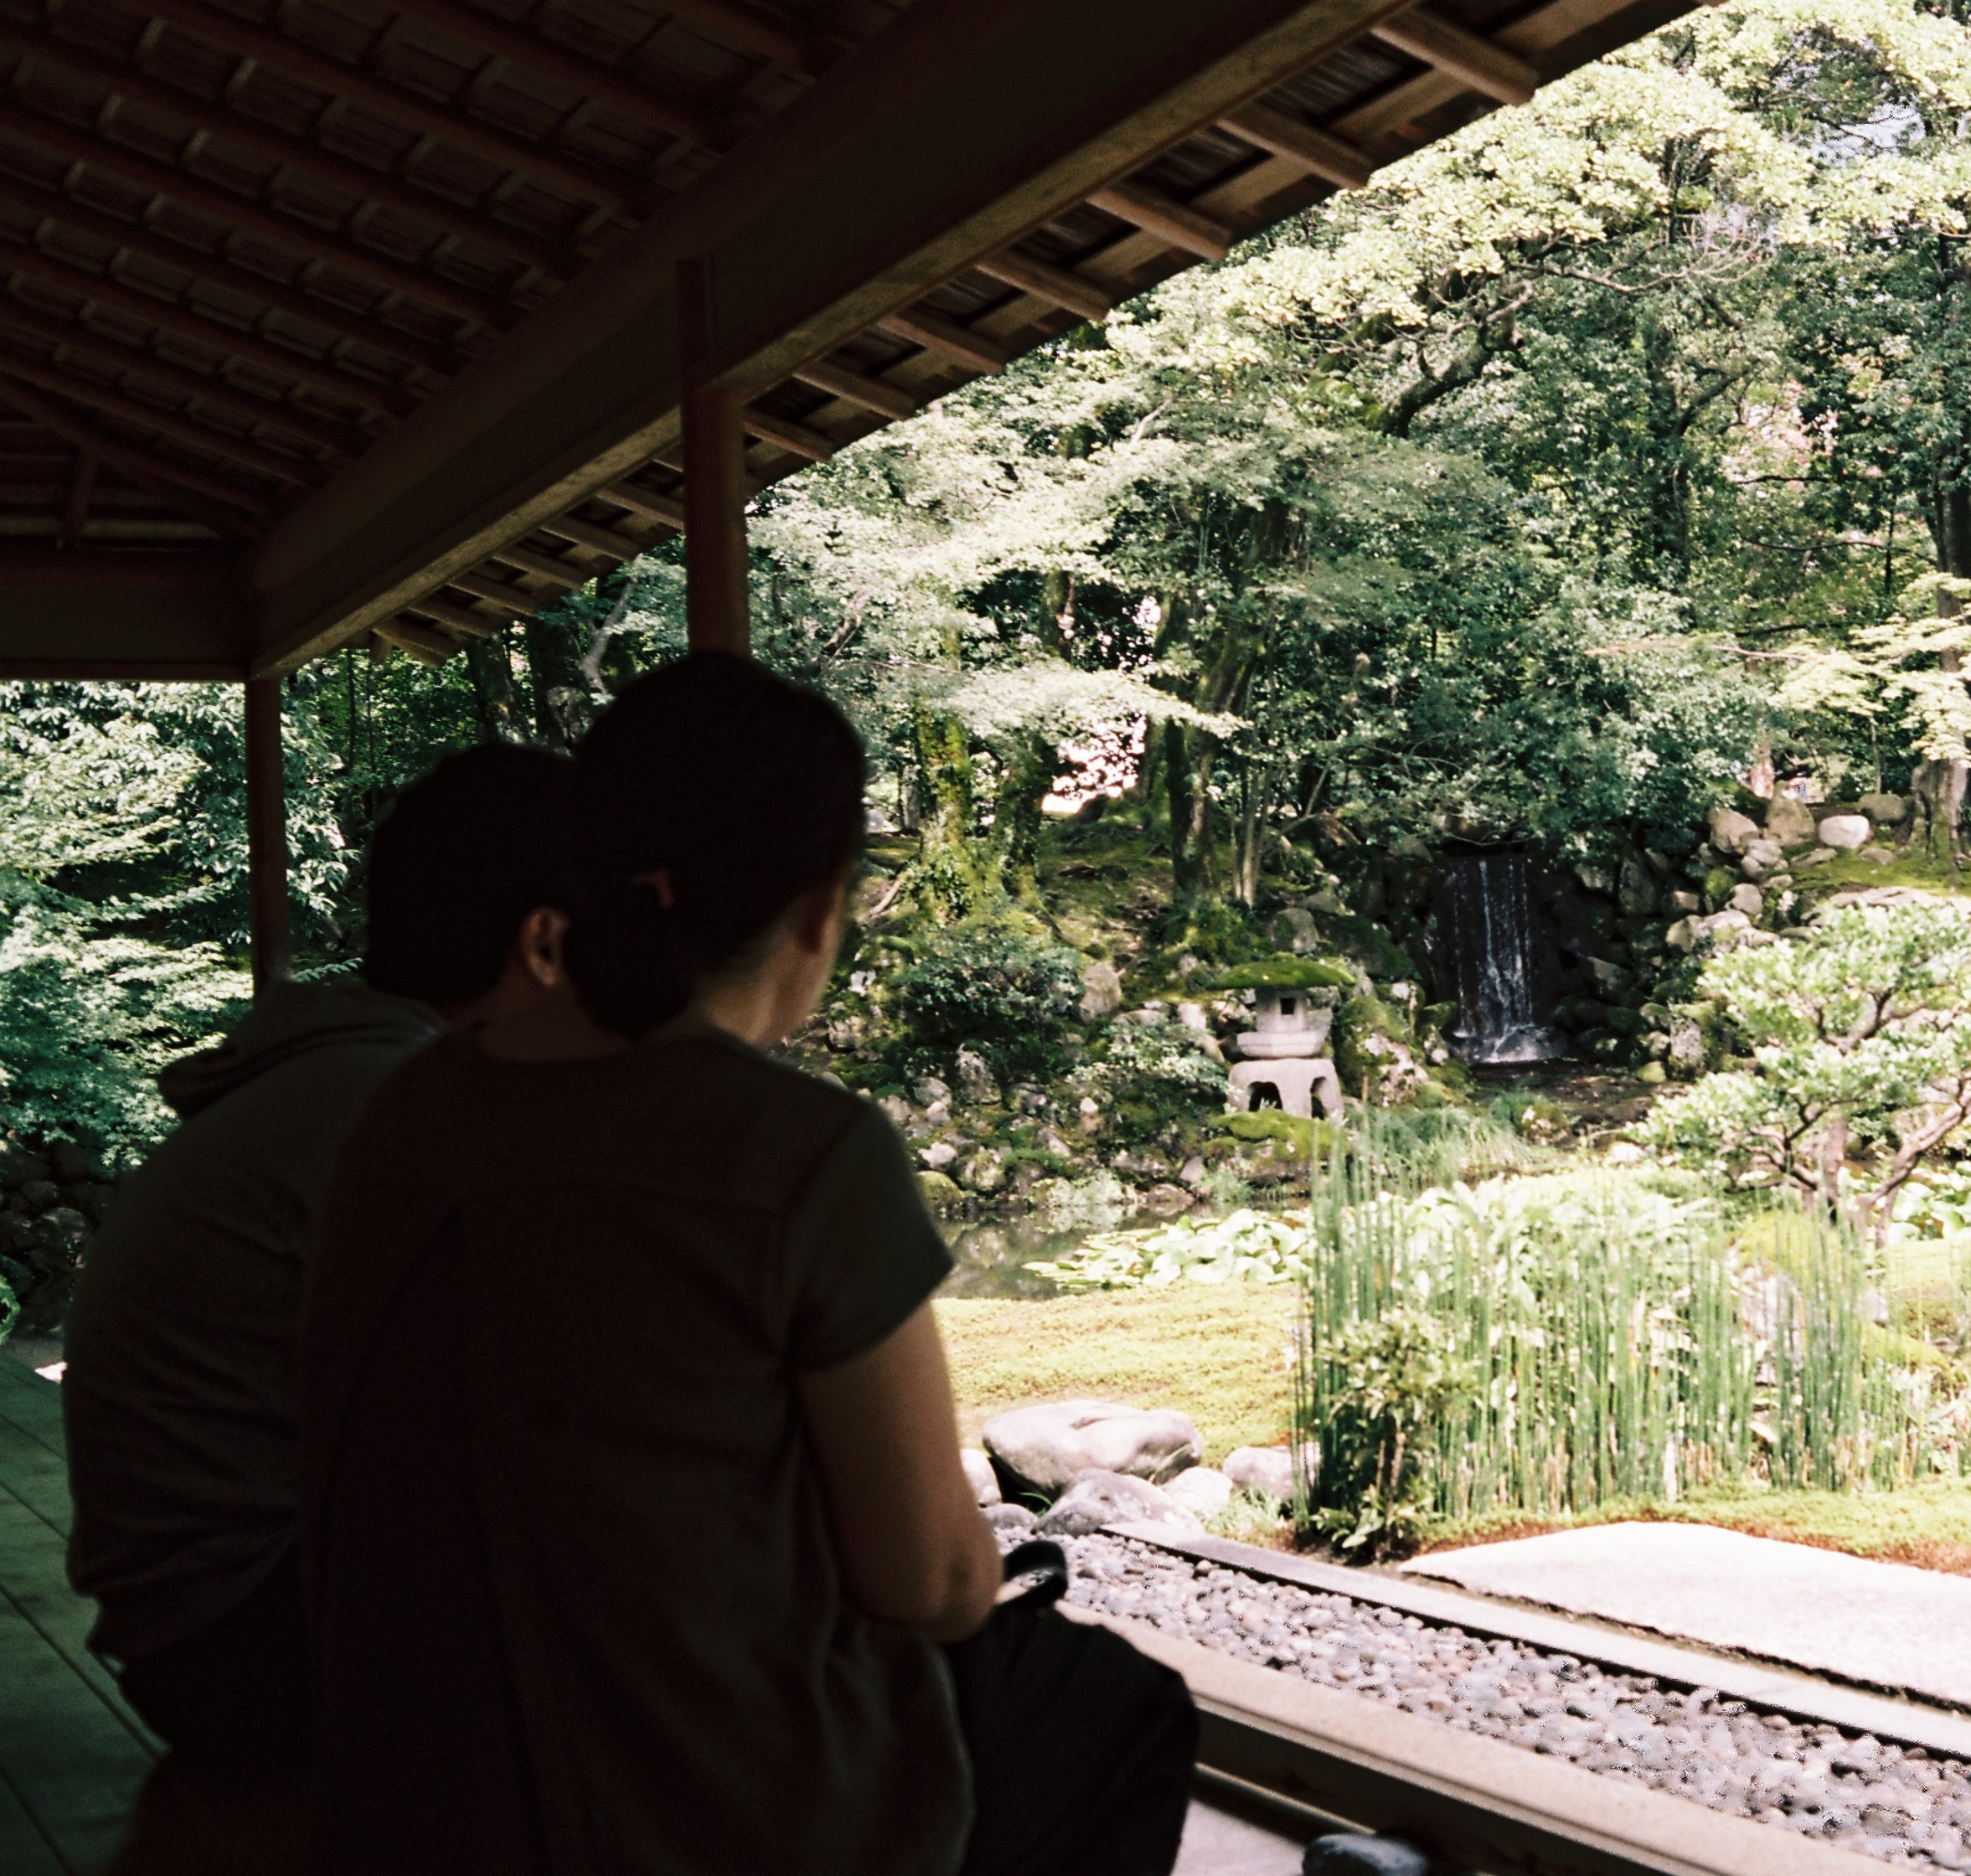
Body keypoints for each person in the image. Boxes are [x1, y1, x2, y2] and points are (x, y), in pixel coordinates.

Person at [297, 655, 1194, 1876]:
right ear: (821, 907)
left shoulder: (401, 1114)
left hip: (414, 1792)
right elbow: (930, 1581)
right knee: (1114, 1705)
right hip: (695, 1818)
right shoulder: (800, 1151)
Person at [62, 743, 575, 1793]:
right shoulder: (403, 1115)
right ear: (545, 942)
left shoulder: (337, 1079)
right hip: (251, 1644)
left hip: (196, 1628)